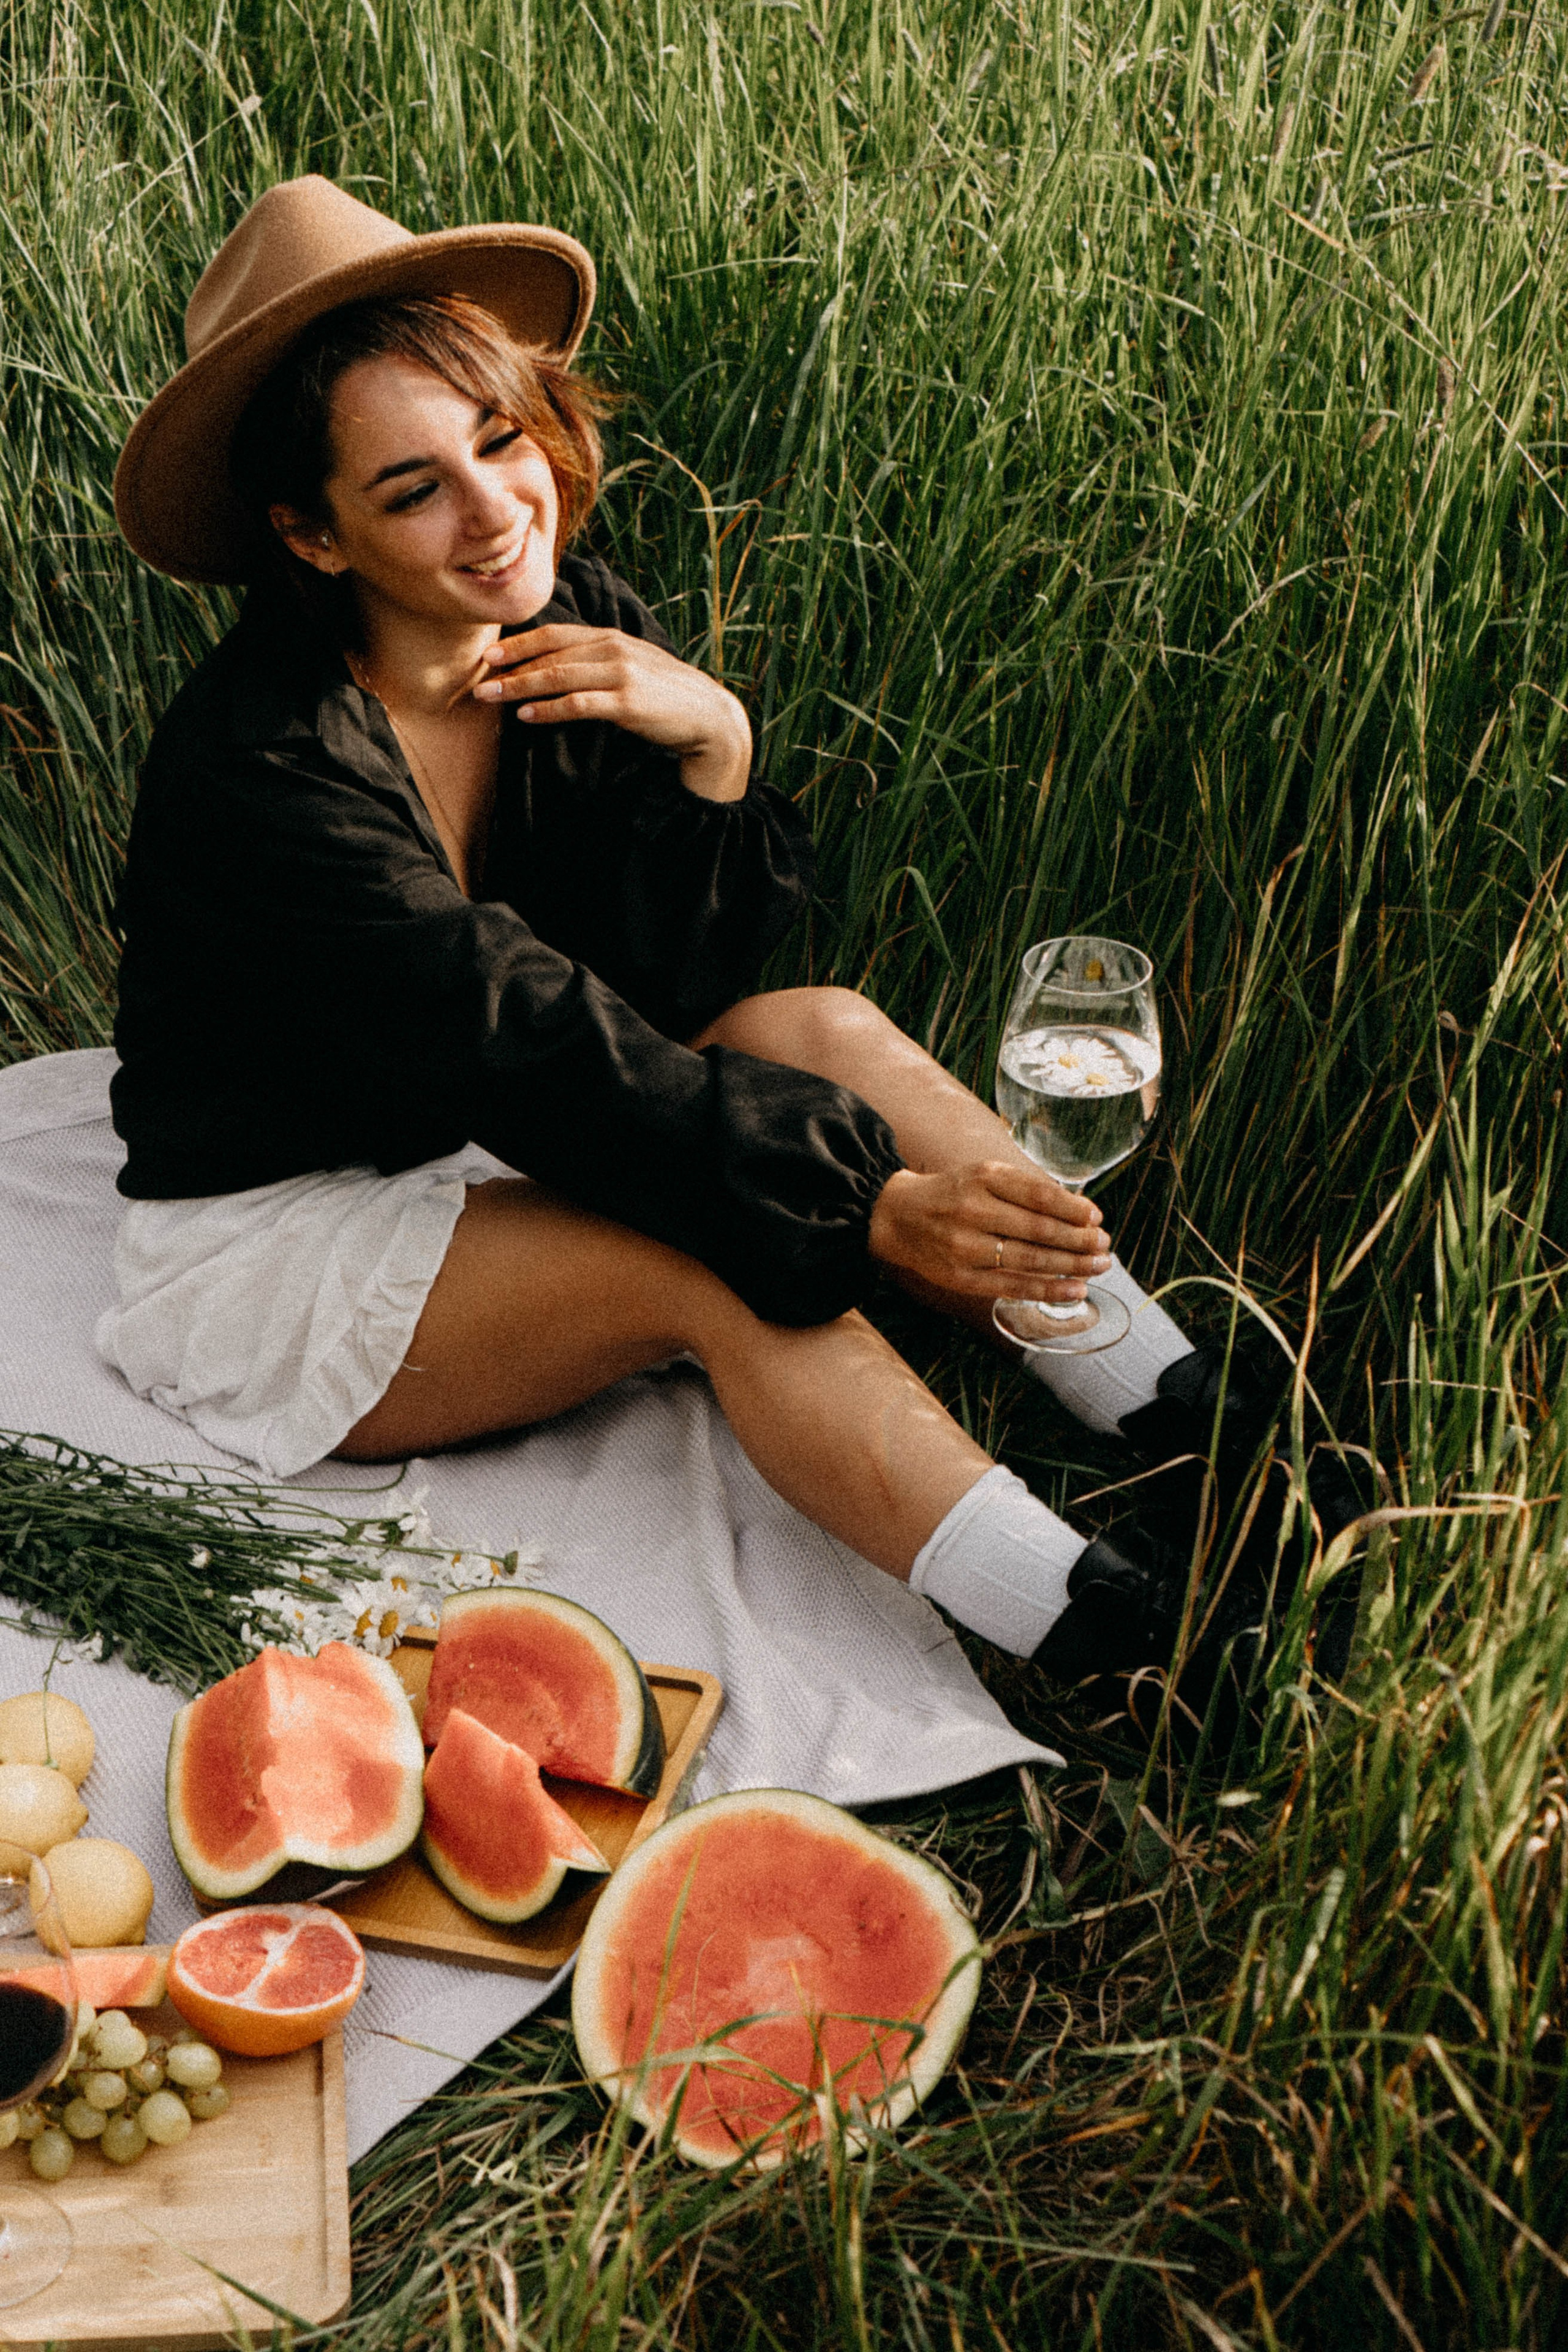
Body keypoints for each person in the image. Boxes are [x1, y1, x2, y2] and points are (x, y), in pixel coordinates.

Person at [100, 177, 1285, 1692]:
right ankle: (1131, 1638)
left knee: (828, 1024)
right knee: (718, 1261)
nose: (492, 514)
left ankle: (1187, 1412)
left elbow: (666, 993)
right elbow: (519, 1029)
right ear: (311, 536)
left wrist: (712, 741)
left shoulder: (558, 628)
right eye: (411, 492)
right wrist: (852, 1208)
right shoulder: (263, 767)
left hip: (481, 1127)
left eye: (500, 440)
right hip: (283, 1232)